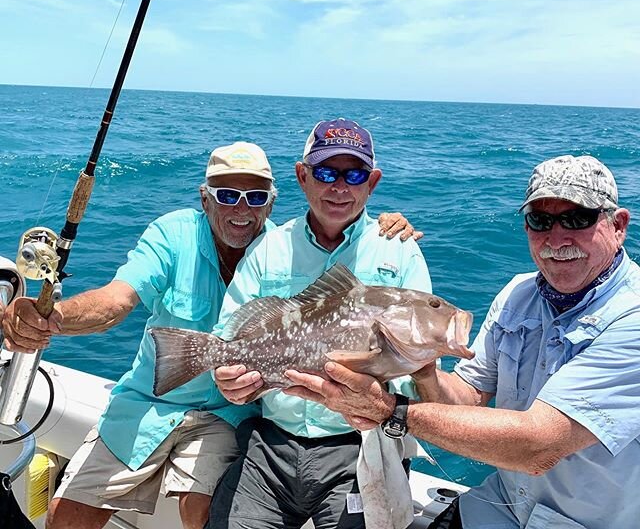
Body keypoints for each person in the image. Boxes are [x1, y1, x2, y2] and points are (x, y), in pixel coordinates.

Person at [1, 141, 418, 529]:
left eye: (255, 198)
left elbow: (331, 282)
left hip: (227, 410)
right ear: (205, 198)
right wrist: (54, 316)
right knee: (67, 511)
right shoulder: (173, 234)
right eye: (226, 195)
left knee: (203, 509)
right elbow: (118, 300)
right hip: (147, 401)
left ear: (270, 203)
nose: (241, 208)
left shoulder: (280, 250)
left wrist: (382, 222)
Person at [285, 154, 640, 529]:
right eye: (540, 220)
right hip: (501, 506)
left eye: (576, 218)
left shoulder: (632, 316)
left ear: (617, 226)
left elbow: (539, 446)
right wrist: (424, 371)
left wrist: (390, 410)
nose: (557, 237)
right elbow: (468, 398)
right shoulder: (517, 294)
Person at [208, 118, 432, 529]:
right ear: (302, 176)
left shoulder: (399, 251)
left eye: (355, 175)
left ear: (373, 182)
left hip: (364, 444)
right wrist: (228, 379)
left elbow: (416, 366)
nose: (339, 187)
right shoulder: (269, 248)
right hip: (270, 441)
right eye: (326, 173)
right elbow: (230, 334)